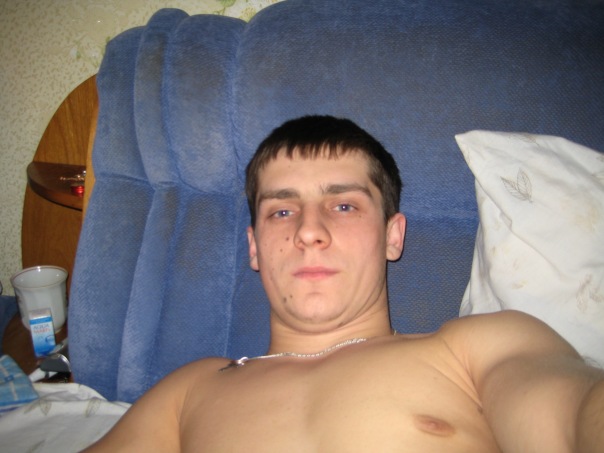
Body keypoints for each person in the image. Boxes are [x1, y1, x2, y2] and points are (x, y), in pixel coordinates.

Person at [84, 116, 604, 452]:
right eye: (282, 210)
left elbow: (574, 413)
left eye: (344, 206)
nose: (309, 231)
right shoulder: (190, 389)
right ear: (254, 248)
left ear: (392, 236)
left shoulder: (475, 348)